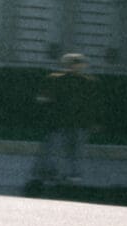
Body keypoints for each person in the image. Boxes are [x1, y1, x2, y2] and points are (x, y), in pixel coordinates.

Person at [30, 51, 101, 185]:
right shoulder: (55, 79)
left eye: (79, 63)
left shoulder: (89, 82)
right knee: (54, 149)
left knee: (75, 150)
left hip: (79, 122)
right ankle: (51, 174)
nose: (76, 66)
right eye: (73, 63)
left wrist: (94, 121)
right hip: (59, 121)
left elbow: (94, 104)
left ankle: (73, 174)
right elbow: (42, 98)